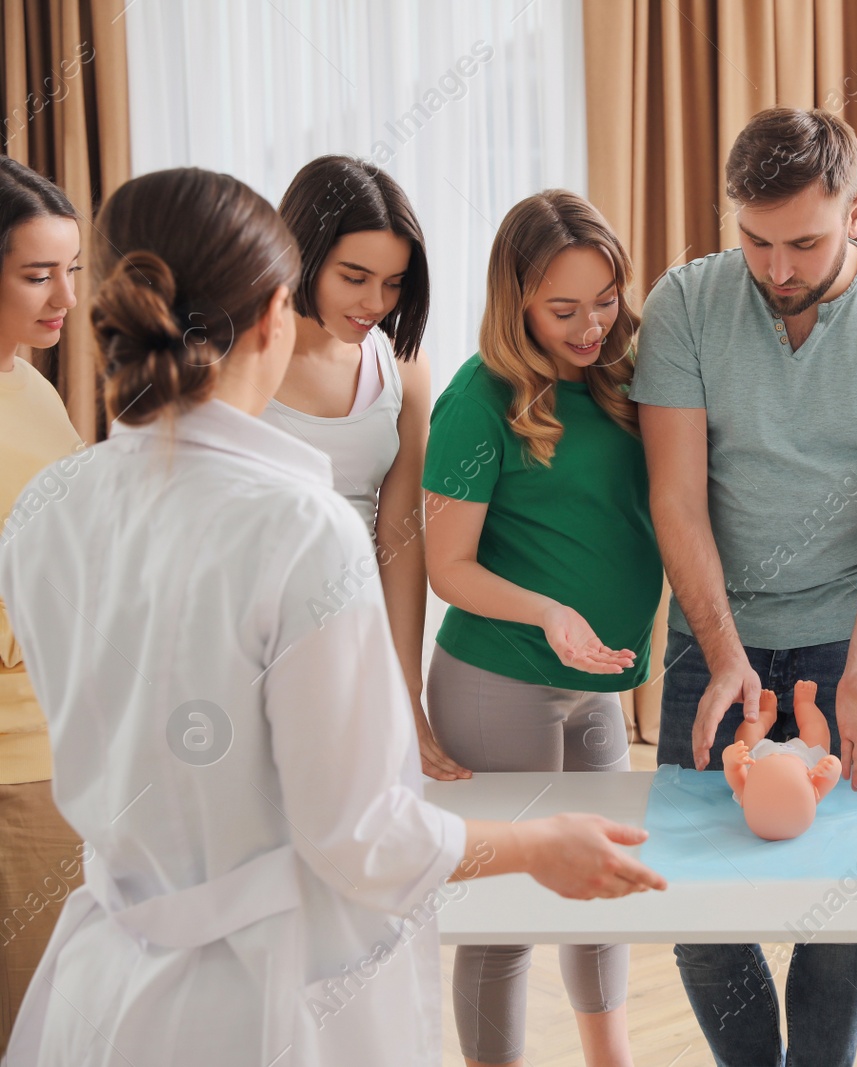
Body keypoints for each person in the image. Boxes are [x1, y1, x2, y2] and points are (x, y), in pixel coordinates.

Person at [0, 166, 664, 1067]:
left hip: (100, 987)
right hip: (265, 997)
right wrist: (536, 844)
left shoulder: (50, 510)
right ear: (278, 314)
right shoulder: (300, 526)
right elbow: (362, 838)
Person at [632, 106, 857, 1067]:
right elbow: (677, 499)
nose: (777, 269)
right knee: (699, 896)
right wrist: (724, 652)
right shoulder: (686, 305)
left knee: (841, 895)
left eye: (805, 243)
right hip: (714, 631)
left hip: (854, 634)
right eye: (755, 240)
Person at [423, 190, 660, 1067]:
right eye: (565, 308)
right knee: (505, 912)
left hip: (595, 678)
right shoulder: (478, 401)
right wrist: (549, 610)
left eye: (605, 298)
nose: (593, 323)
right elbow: (449, 567)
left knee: (605, 884)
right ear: (515, 299)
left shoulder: (629, 376)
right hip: (499, 677)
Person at [262, 155, 469, 781]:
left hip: (350, 634)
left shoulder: (403, 367)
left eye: (394, 282)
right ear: (301, 252)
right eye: (354, 277)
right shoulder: (230, 353)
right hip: (247, 635)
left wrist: (405, 688)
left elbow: (400, 533)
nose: (375, 302)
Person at [0, 156, 85, 1056]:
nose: (63, 296)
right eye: (37, 275)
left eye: (73, 269)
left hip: (59, 741)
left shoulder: (31, 383)